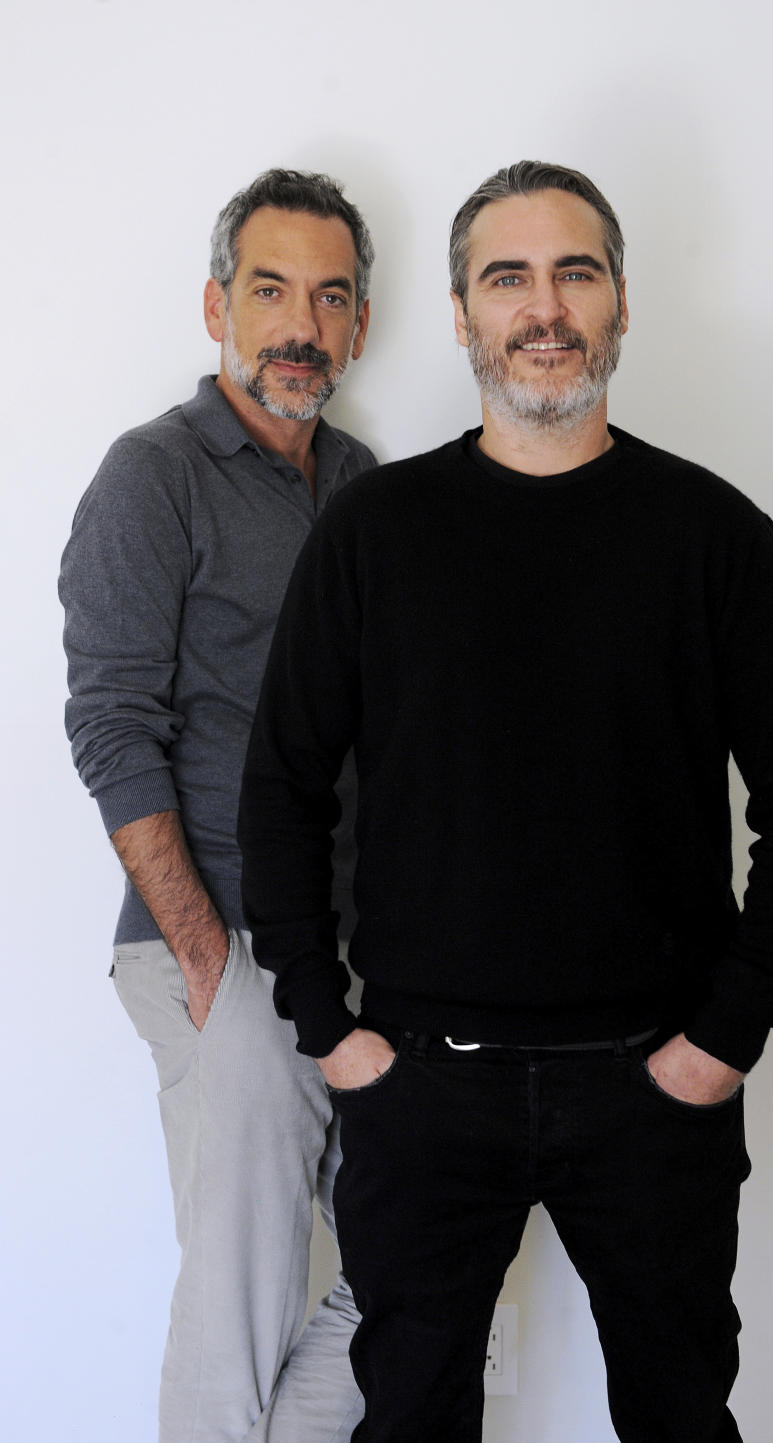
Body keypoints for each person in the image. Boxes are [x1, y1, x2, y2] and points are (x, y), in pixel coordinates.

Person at [238, 161, 773, 1443]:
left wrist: (724, 1038)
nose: (545, 307)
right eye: (506, 277)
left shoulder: (716, 537)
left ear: (621, 304)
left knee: (682, 1418)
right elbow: (283, 786)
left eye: (576, 272)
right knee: (408, 1419)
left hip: (655, 1084)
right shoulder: (375, 535)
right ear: (462, 315)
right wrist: (326, 1026)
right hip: (420, 1085)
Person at [60, 168, 376, 1443]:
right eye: (270, 289)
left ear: (358, 324)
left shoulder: (367, 486)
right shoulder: (155, 476)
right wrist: (208, 965)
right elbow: (110, 726)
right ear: (216, 307)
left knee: (416, 1266)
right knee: (236, 1315)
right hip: (224, 941)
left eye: (331, 296)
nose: (300, 322)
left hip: (355, 958)